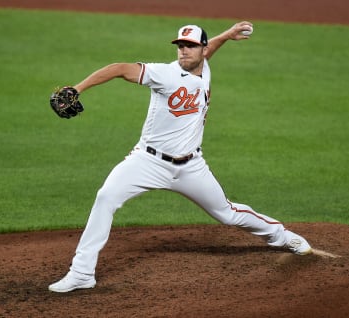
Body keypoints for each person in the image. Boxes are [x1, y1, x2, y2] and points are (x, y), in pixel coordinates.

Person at [48, 21, 312, 293]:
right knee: (105, 197)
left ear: (202, 49)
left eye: (191, 46)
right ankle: (81, 273)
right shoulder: (164, 74)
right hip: (147, 162)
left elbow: (208, 53)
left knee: (228, 214)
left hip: (191, 167)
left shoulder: (204, 67)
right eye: (180, 46)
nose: (184, 51)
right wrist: (78, 88)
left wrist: (227, 35)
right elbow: (119, 69)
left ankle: (283, 237)